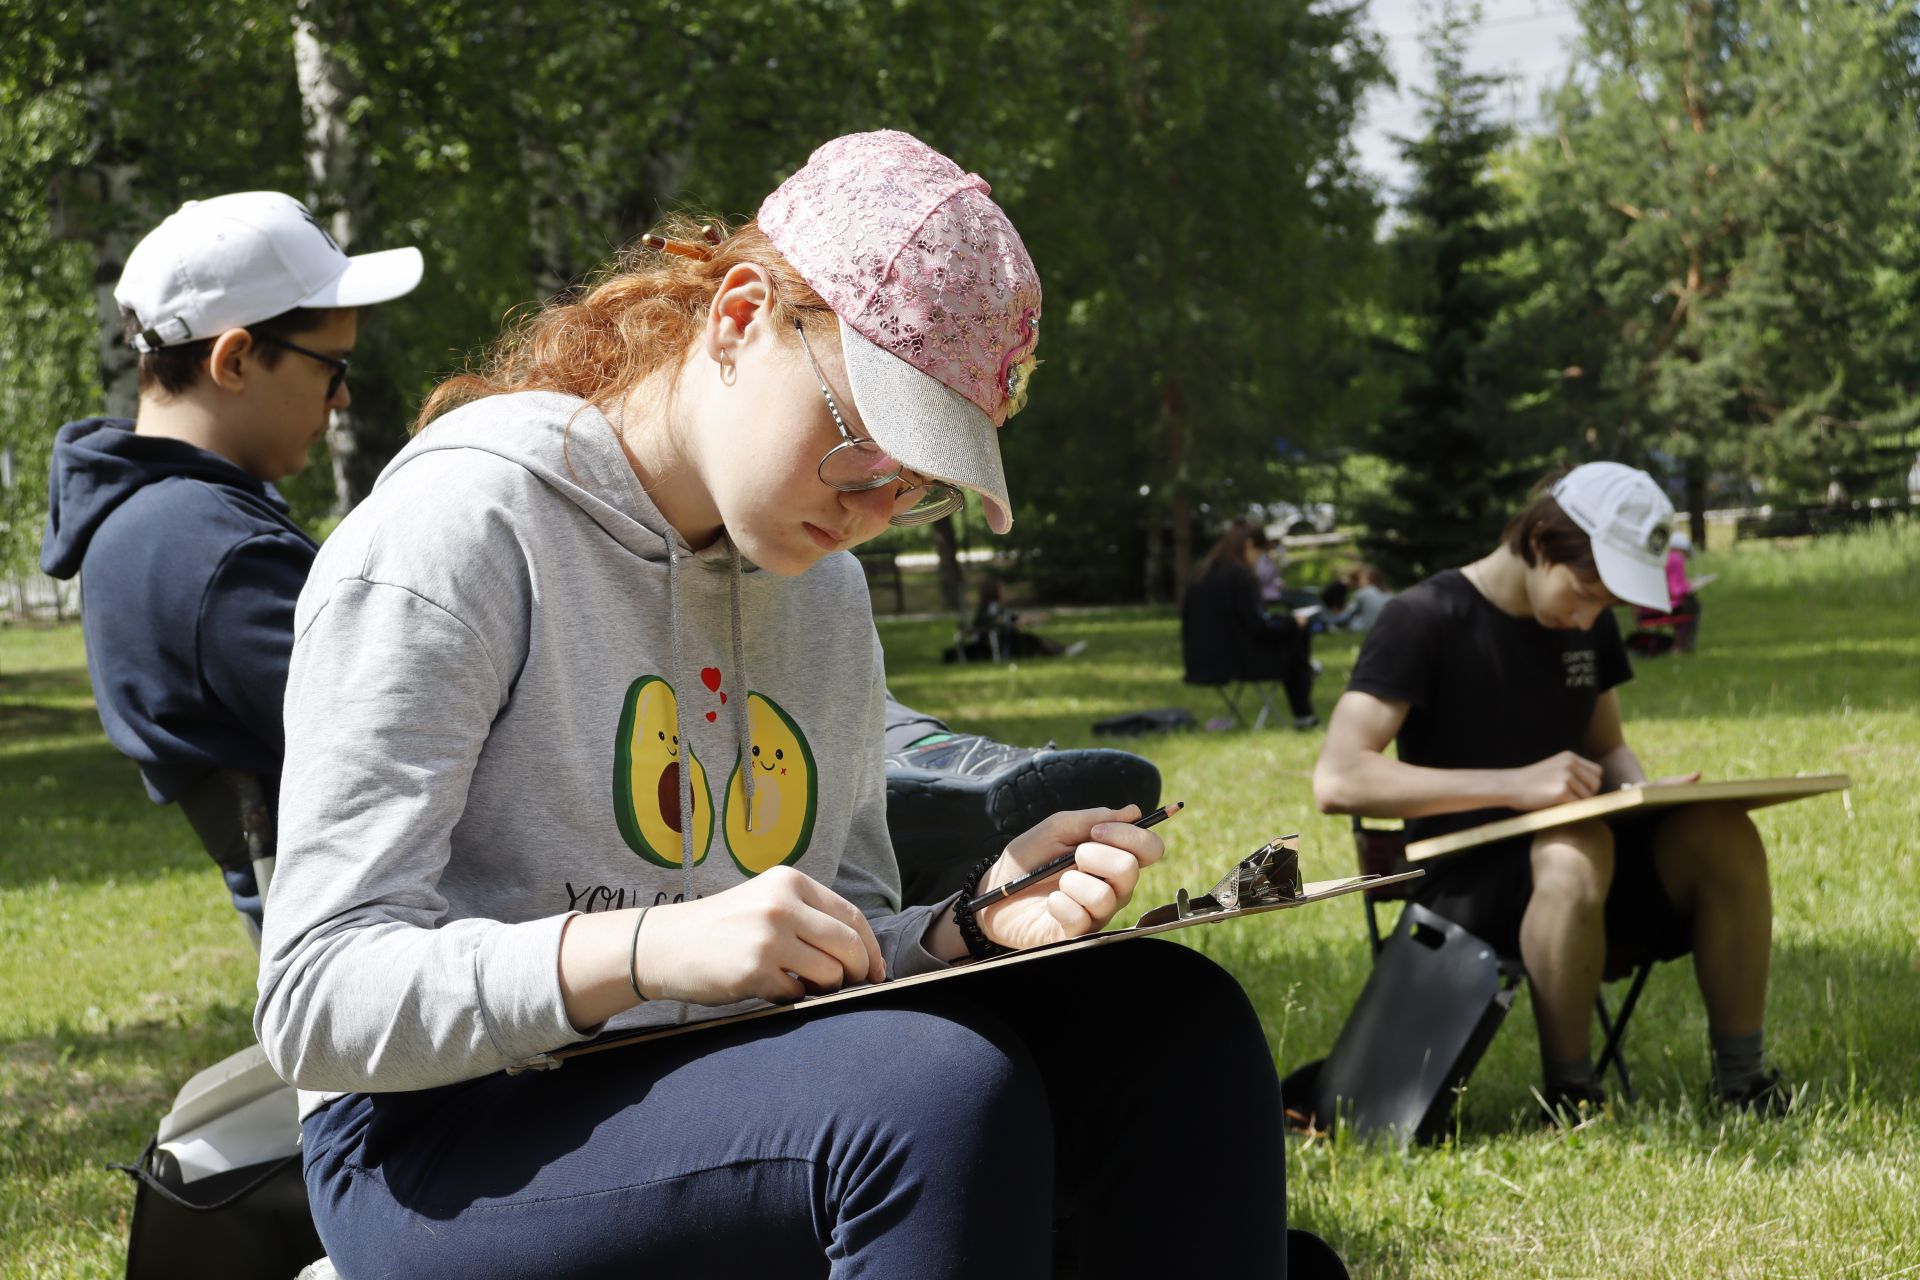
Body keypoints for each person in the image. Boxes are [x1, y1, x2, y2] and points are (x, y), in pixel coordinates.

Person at [255, 132, 1291, 1277]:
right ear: (742, 315)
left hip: (717, 1063)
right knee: (930, 1099)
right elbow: (317, 993)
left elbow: (833, 954)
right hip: (440, 1129)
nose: (872, 505)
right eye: (863, 444)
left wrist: (962, 926)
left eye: (918, 486)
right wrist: (646, 947)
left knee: (1172, 1023)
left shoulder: (820, 590)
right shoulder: (464, 529)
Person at [1312, 463, 1787, 1118]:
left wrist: (1641, 792)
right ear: (1540, 542)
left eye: (1608, 604)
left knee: (1722, 831)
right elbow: (1339, 778)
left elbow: (1608, 747)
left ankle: (1744, 1084)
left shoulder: (1585, 624)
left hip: (1593, 879)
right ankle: (1570, 1094)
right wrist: (1516, 785)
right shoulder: (1422, 619)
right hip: (1468, 889)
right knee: (1574, 842)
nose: (1590, 615)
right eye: (1586, 589)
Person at [38, 192, 423, 927]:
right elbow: (408, 736)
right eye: (330, 368)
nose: (339, 398)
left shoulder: (151, 523)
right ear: (236, 358)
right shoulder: (209, 552)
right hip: (388, 951)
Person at [1182, 519, 1319, 729]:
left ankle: (1306, 673)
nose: (1259, 560)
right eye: (1261, 552)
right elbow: (1257, 626)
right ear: (1249, 545)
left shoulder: (1203, 573)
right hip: (1236, 663)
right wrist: (1292, 621)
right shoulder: (1240, 576)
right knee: (1297, 633)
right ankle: (1304, 713)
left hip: (1199, 663)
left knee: (1291, 631)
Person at [1663, 531, 1702, 653]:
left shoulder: (1664, 557)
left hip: (1656, 601)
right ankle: (1684, 644)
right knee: (1693, 606)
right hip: (1670, 603)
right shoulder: (1676, 558)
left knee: (1690, 605)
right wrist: (1690, 587)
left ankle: (1681, 643)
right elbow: (1675, 589)